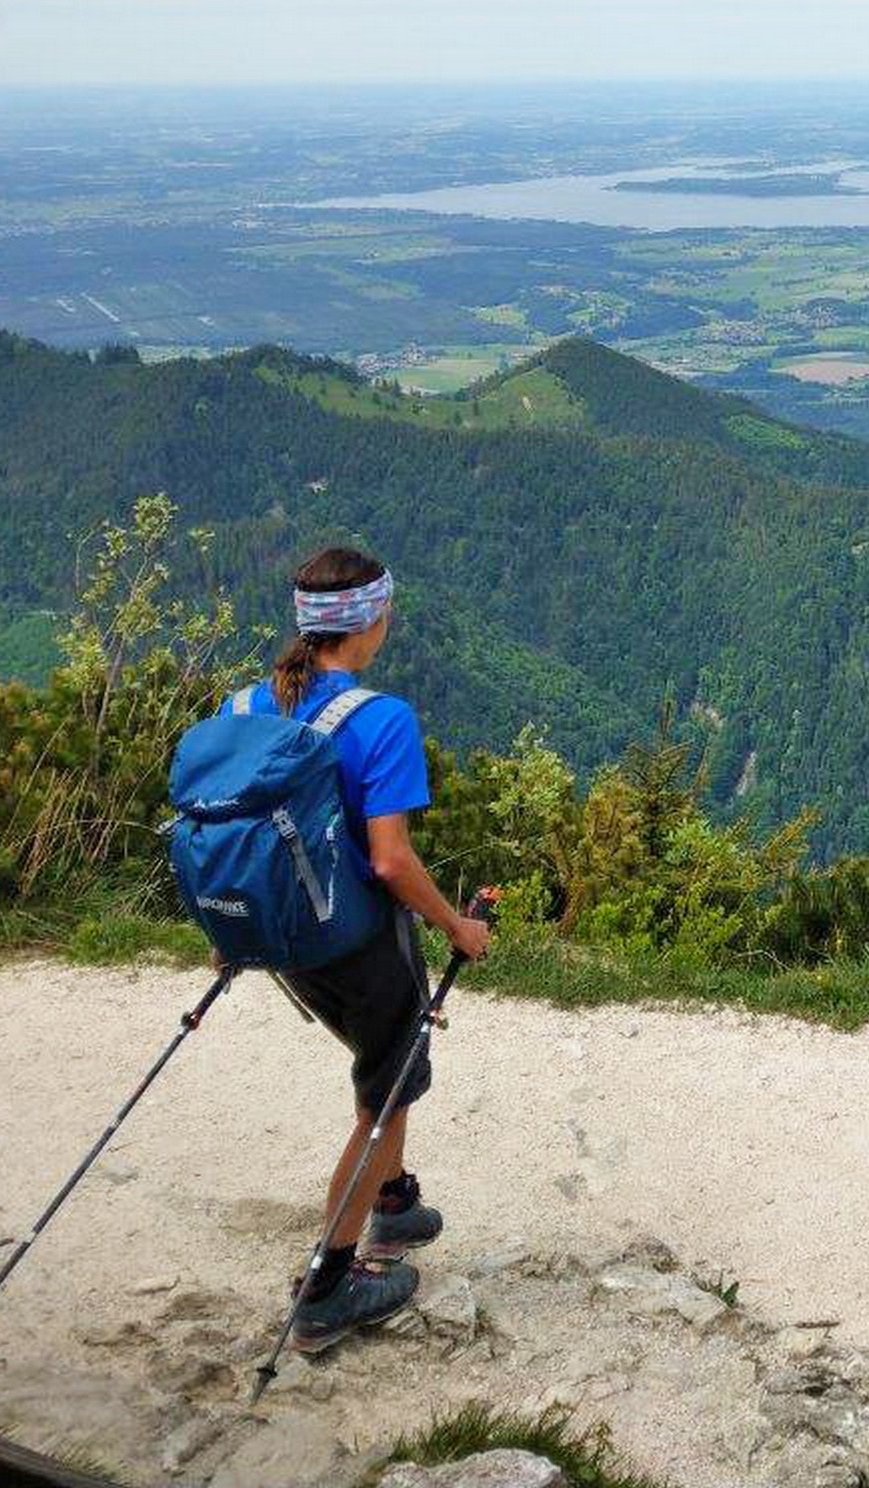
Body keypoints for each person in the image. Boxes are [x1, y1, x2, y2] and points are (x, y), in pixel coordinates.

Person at [236, 545, 492, 1351]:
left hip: (283, 940)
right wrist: (458, 927)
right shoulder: (381, 720)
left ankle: (395, 1205)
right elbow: (388, 858)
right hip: (356, 939)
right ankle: (330, 1282)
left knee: (392, 1070)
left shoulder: (245, 706)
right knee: (383, 1096)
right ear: (371, 621)